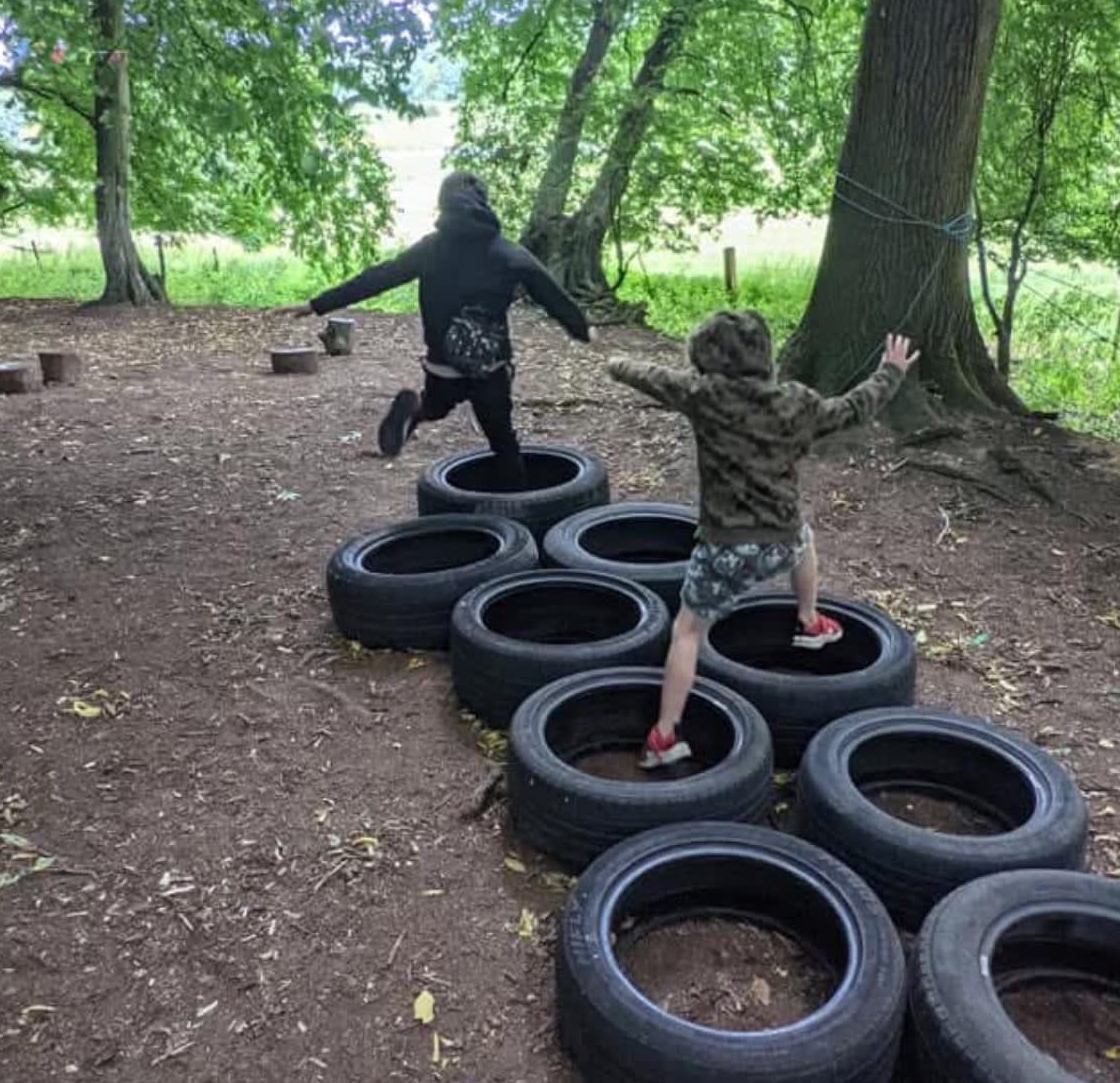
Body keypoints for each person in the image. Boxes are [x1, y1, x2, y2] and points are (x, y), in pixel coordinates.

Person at [606, 311, 919, 768]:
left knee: (687, 632)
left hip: (724, 547)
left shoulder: (703, 394)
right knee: (805, 538)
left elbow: (652, 376)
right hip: (781, 540)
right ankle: (809, 619)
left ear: (704, 358)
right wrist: (890, 371)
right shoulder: (796, 402)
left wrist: (616, 363)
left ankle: (664, 735)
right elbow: (853, 408)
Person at [281, 173, 589, 488]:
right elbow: (551, 294)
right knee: (503, 442)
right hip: (490, 367)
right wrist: (581, 329)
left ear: (443, 205)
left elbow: (380, 277)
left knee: (435, 406)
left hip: (443, 364)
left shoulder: (431, 248)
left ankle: (414, 410)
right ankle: (521, 510)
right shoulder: (507, 253)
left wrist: (317, 304)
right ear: (484, 204)